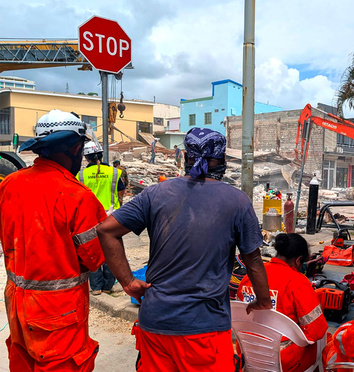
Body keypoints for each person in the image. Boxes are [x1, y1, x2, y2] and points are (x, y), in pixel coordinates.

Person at [96, 127, 272, 371]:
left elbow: (106, 230)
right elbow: (252, 259)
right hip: (205, 328)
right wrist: (263, 300)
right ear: (221, 160)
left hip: (156, 322)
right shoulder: (237, 200)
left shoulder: (155, 193)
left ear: (185, 157)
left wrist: (127, 282)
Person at [0, 110, 106, 371]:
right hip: (59, 310)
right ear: (75, 148)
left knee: (22, 360)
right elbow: (94, 259)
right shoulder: (77, 195)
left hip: (17, 301)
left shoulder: (9, 184)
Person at [237, 233, 328, 372]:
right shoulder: (298, 282)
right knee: (322, 339)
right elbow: (316, 332)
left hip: (246, 353)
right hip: (282, 360)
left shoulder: (249, 277)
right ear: (298, 261)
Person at [78, 142, 126, 295]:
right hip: (112, 218)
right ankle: (108, 286)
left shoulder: (80, 175)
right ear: (101, 155)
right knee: (111, 251)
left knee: (92, 251)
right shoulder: (114, 172)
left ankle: (96, 287)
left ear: (86, 157)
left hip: (89, 219)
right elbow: (121, 192)